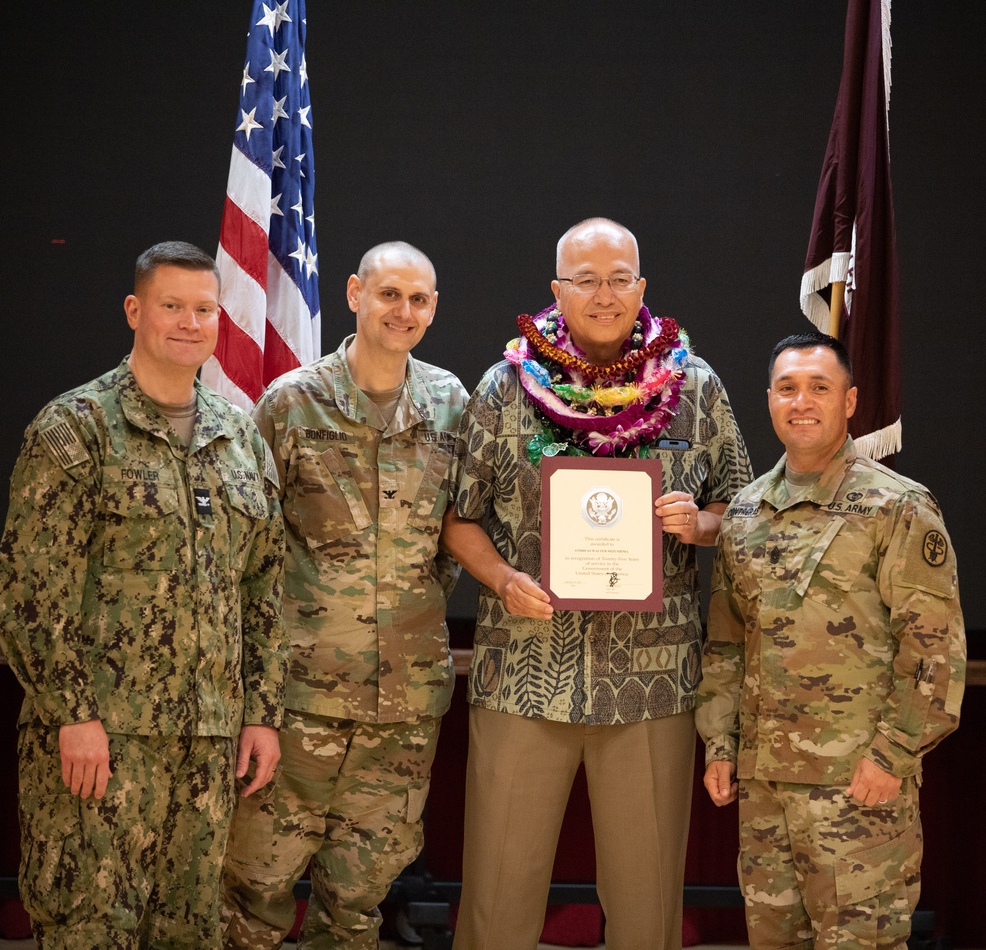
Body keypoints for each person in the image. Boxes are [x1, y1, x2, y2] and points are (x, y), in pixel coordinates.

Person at [442, 217, 753, 950]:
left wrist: (700, 527)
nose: (604, 294)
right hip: (523, 675)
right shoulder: (505, 384)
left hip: (651, 686)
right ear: (557, 289)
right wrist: (503, 578)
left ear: (642, 287)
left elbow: (743, 508)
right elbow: (458, 518)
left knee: (647, 913)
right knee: (496, 901)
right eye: (586, 279)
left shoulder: (695, 387)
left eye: (619, 279)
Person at [0, 241, 287, 949]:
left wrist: (261, 713)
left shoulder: (239, 437)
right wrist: (73, 714)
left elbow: (264, 588)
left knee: (190, 932)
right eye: (171, 307)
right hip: (102, 744)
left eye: (204, 309)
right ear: (135, 311)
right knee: (91, 930)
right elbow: (30, 591)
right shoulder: (75, 429)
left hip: (208, 747)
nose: (189, 323)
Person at [221, 241, 469, 949]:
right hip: (299, 697)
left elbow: (450, 539)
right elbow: (255, 546)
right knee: (255, 888)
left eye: (419, 299)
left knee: (361, 898)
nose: (404, 311)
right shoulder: (292, 403)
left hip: (404, 702)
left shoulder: (451, 404)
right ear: (356, 293)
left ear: (434, 308)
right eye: (389, 293)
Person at [696, 331, 966, 949]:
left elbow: (933, 650)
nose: (802, 401)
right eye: (787, 388)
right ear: (769, 399)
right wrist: (720, 742)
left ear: (849, 401)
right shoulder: (744, 513)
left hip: (860, 788)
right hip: (764, 793)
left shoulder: (897, 507)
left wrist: (892, 754)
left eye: (820, 387)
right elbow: (727, 646)